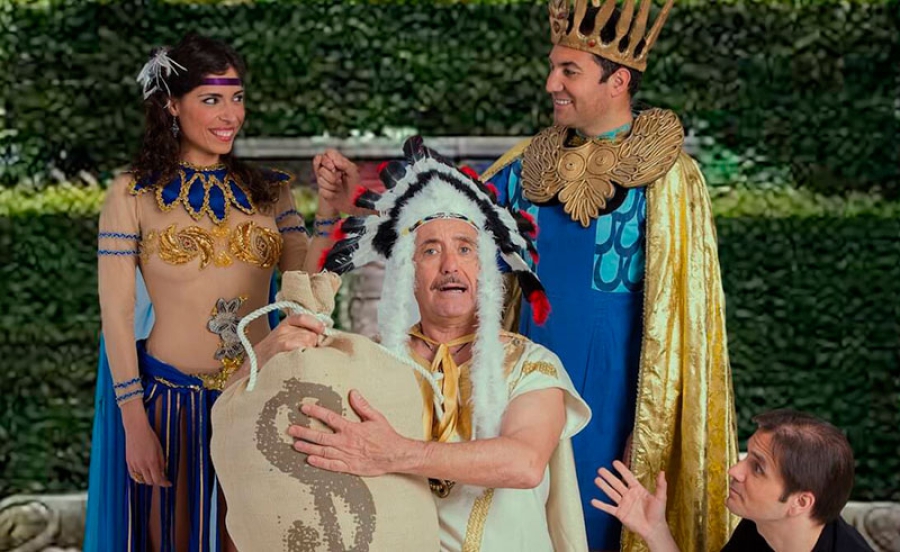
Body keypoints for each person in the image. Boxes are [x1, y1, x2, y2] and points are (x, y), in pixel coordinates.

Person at [313, 1, 736, 550]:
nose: (551, 83)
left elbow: (682, 319)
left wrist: (651, 427)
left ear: (618, 81)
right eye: (553, 67)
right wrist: (355, 197)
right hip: (520, 382)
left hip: (618, 398)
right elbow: (444, 221)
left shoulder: (671, 178)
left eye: (569, 71)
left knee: (605, 525)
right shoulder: (524, 166)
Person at [83, 32, 335, 552]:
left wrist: (332, 210)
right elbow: (118, 312)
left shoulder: (272, 190)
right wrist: (134, 423)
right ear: (171, 105)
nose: (230, 114)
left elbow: (304, 291)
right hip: (168, 406)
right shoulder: (131, 194)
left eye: (237, 97)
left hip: (260, 402)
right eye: (212, 99)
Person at [290, 138, 592, 551]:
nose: (451, 265)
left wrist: (395, 453)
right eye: (431, 250)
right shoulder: (373, 361)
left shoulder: (532, 363)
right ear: (407, 271)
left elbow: (524, 463)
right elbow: (301, 324)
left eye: (465, 249)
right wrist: (329, 213)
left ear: (484, 268)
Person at [593, 409, 874, 552]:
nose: (735, 471)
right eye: (746, 456)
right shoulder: (758, 529)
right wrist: (656, 531)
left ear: (800, 502)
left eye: (758, 468)